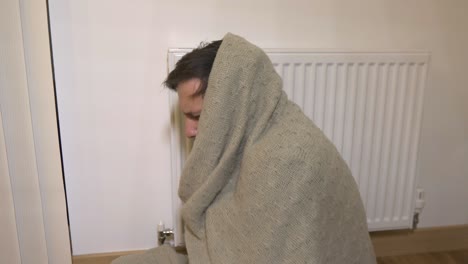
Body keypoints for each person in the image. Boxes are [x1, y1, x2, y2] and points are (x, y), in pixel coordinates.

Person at [113, 33, 376, 264]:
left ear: (232, 105)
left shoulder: (288, 159)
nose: (189, 131)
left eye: (197, 116)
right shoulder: (253, 137)